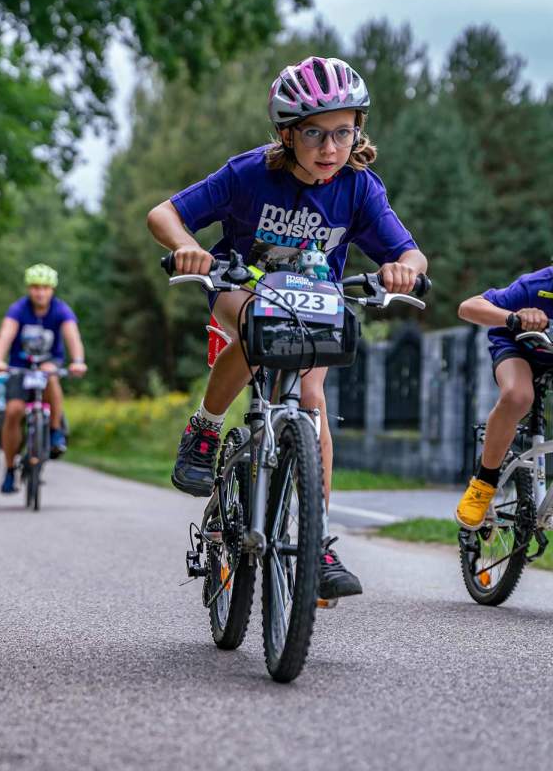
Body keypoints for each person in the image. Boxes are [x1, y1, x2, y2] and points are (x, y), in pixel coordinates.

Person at [146, 56, 428, 600]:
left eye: (343, 132)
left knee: (314, 400)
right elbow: (164, 213)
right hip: (241, 288)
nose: (330, 148)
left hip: (316, 303)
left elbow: (410, 253)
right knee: (255, 330)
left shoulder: (360, 189)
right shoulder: (250, 173)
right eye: (314, 134)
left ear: (358, 131)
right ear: (286, 134)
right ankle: (205, 429)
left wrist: (403, 270)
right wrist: (187, 247)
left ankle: (315, 542)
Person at [455, 267, 553, 528]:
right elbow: (468, 307)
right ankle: (483, 484)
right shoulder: (537, 285)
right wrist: (514, 317)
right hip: (518, 349)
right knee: (518, 396)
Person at [0, 264, 87, 494]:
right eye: (35, 287)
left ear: (51, 289)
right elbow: (5, 334)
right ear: (28, 289)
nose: (39, 292)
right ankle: (10, 469)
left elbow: (73, 336)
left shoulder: (61, 310)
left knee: (49, 374)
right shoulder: (18, 309)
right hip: (19, 368)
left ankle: (54, 431)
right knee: (13, 411)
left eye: (44, 288)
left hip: (48, 365)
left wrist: (78, 360)